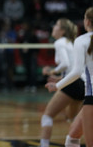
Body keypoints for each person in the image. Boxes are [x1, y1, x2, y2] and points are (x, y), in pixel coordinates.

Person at [46, 7, 93, 147]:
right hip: (88, 95)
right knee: (73, 134)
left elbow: (76, 72)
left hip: (91, 97)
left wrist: (57, 85)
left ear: (87, 21)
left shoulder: (82, 40)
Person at [40, 18, 84, 147]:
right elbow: (73, 68)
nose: (53, 27)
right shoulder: (70, 43)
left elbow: (65, 64)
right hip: (80, 83)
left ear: (62, 30)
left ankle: (44, 145)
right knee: (72, 118)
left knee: (47, 116)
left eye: (57, 25)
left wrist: (52, 71)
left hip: (72, 83)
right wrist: (60, 78)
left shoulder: (59, 42)